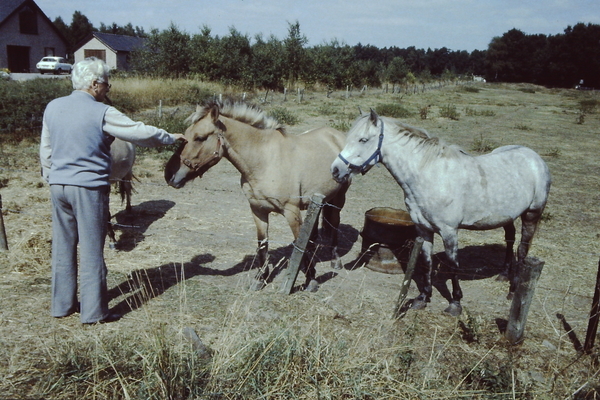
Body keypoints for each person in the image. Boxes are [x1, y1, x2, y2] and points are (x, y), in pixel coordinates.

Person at [39, 57, 186, 324]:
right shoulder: (101, 112)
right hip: (88, 189)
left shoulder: (53, 107)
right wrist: (168, 137)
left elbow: (46, 151)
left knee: (63, 247)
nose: (108, 89)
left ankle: (62, 305)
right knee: (92, 250)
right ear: (95, 84)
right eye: (107, 84)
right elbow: (138, 132)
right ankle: (94, 313)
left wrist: (53, 177)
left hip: (58, 186)